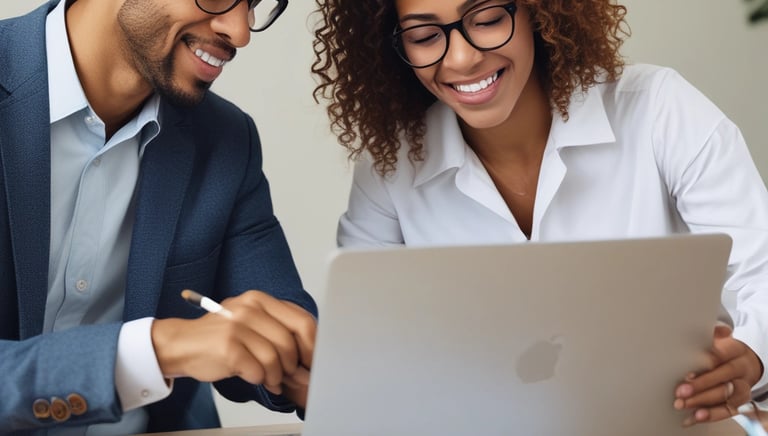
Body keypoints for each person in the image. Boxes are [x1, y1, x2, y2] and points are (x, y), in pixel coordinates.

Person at [311, 0, 768, 428]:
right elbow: (366, 351)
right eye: (425, 35)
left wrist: (751, 354)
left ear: (538, 11)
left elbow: (761, 271)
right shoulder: (389, 168)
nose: (462, 59)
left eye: (487, 19)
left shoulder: (658, 108)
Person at [0, 0, 318, 433]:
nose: (241, 32)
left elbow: (282, 327)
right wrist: (157, 349)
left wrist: (312, 368)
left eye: (256, 4)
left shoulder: (226, 140)